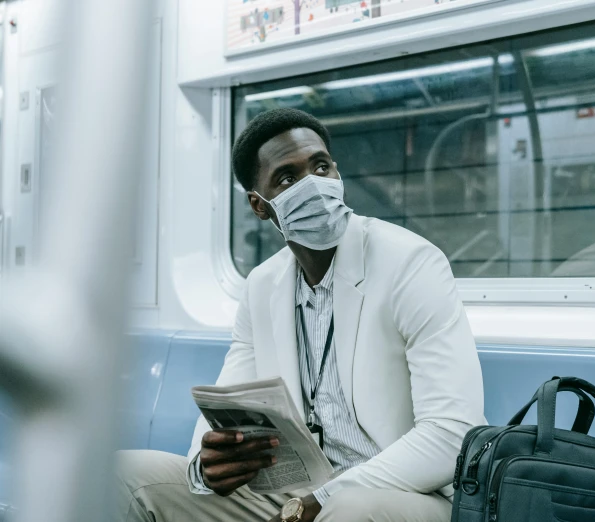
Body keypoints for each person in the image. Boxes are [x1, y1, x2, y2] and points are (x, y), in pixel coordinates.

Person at [113, 108, 485, 522]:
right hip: (296, 496)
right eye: (288, 178)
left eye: (321, 166)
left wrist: (324, 498)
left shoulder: (410, 264)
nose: (314, 184)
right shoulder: (262, 286)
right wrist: (206, 466)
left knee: (348, 511)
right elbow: (226, 403)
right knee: (125, 474)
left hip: (400, 494)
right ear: (260, 205)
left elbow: (453, 434)